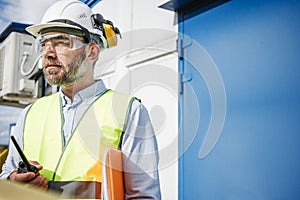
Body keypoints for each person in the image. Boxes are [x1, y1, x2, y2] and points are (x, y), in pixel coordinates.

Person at [0, 0, 161, 199]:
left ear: (91, 52)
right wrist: (13, 181)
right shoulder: (30, 114)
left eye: (61, 42)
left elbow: (143, 197)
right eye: (43, 44)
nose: (48, 53)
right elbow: (7, 176)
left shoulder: (128, 112)